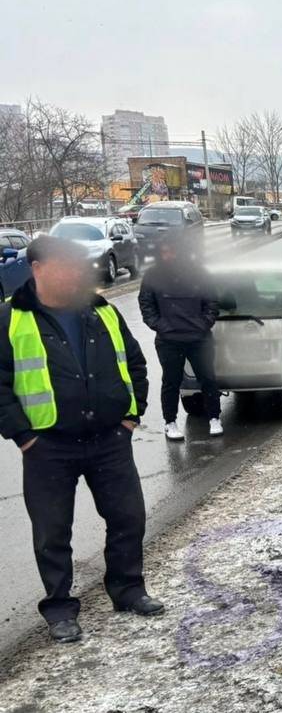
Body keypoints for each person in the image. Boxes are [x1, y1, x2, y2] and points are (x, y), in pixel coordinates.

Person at [0, 237, 161, 644]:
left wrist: (130, 414)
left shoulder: (99, 309)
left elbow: (134, 361)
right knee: (52, 532)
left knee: (128, 517)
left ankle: (128, 590)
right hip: (48, 447)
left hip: (109, 438)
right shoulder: (10, 319)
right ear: (38, 268)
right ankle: (59, 609)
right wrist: (23, 436)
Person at [138, 238, 222, 440]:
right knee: (171, 381)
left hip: (199, 338)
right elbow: (146, 304)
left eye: (173, 251)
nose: (169, 256)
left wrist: (203, 324)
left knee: (208, 379)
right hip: (169, 340)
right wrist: (161, 326)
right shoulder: (153, 275)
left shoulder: (199, 273)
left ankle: (214, 418)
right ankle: (170, 422)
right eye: (165, 252)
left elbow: (212, 301)